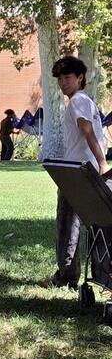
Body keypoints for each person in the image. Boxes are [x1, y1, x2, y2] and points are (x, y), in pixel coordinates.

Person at [45, 56, 108, 289]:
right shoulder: (85, 101)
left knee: (67, 224)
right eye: (60, 79)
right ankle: (93, 275)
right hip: (84, 169)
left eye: (68, 78)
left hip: (78, 173)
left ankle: (66, 276)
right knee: (95, 225)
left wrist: (102, 163)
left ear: (80, 78)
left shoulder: (77, 101)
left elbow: (87, 130)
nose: (63, 82)